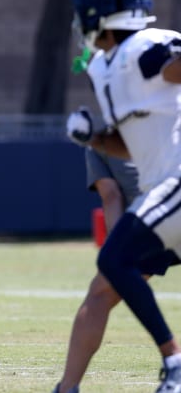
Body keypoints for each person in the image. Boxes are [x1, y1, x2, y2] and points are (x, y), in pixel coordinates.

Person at [64, 0, 181, 391]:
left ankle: (174, 362)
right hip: (162, 196)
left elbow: (173, 68)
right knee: (110, 273)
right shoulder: (105, 68)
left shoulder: (147, 47)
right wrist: (94, 138)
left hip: (176, 184)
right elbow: (128, 147)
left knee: (114, 260)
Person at [54, 148, 140, 393]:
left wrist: (116, 253)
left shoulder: (97, 136)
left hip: (149, 222)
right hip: (162, 217)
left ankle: (67, 387)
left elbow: (111, 196)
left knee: (100, 296)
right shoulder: (167, 116)